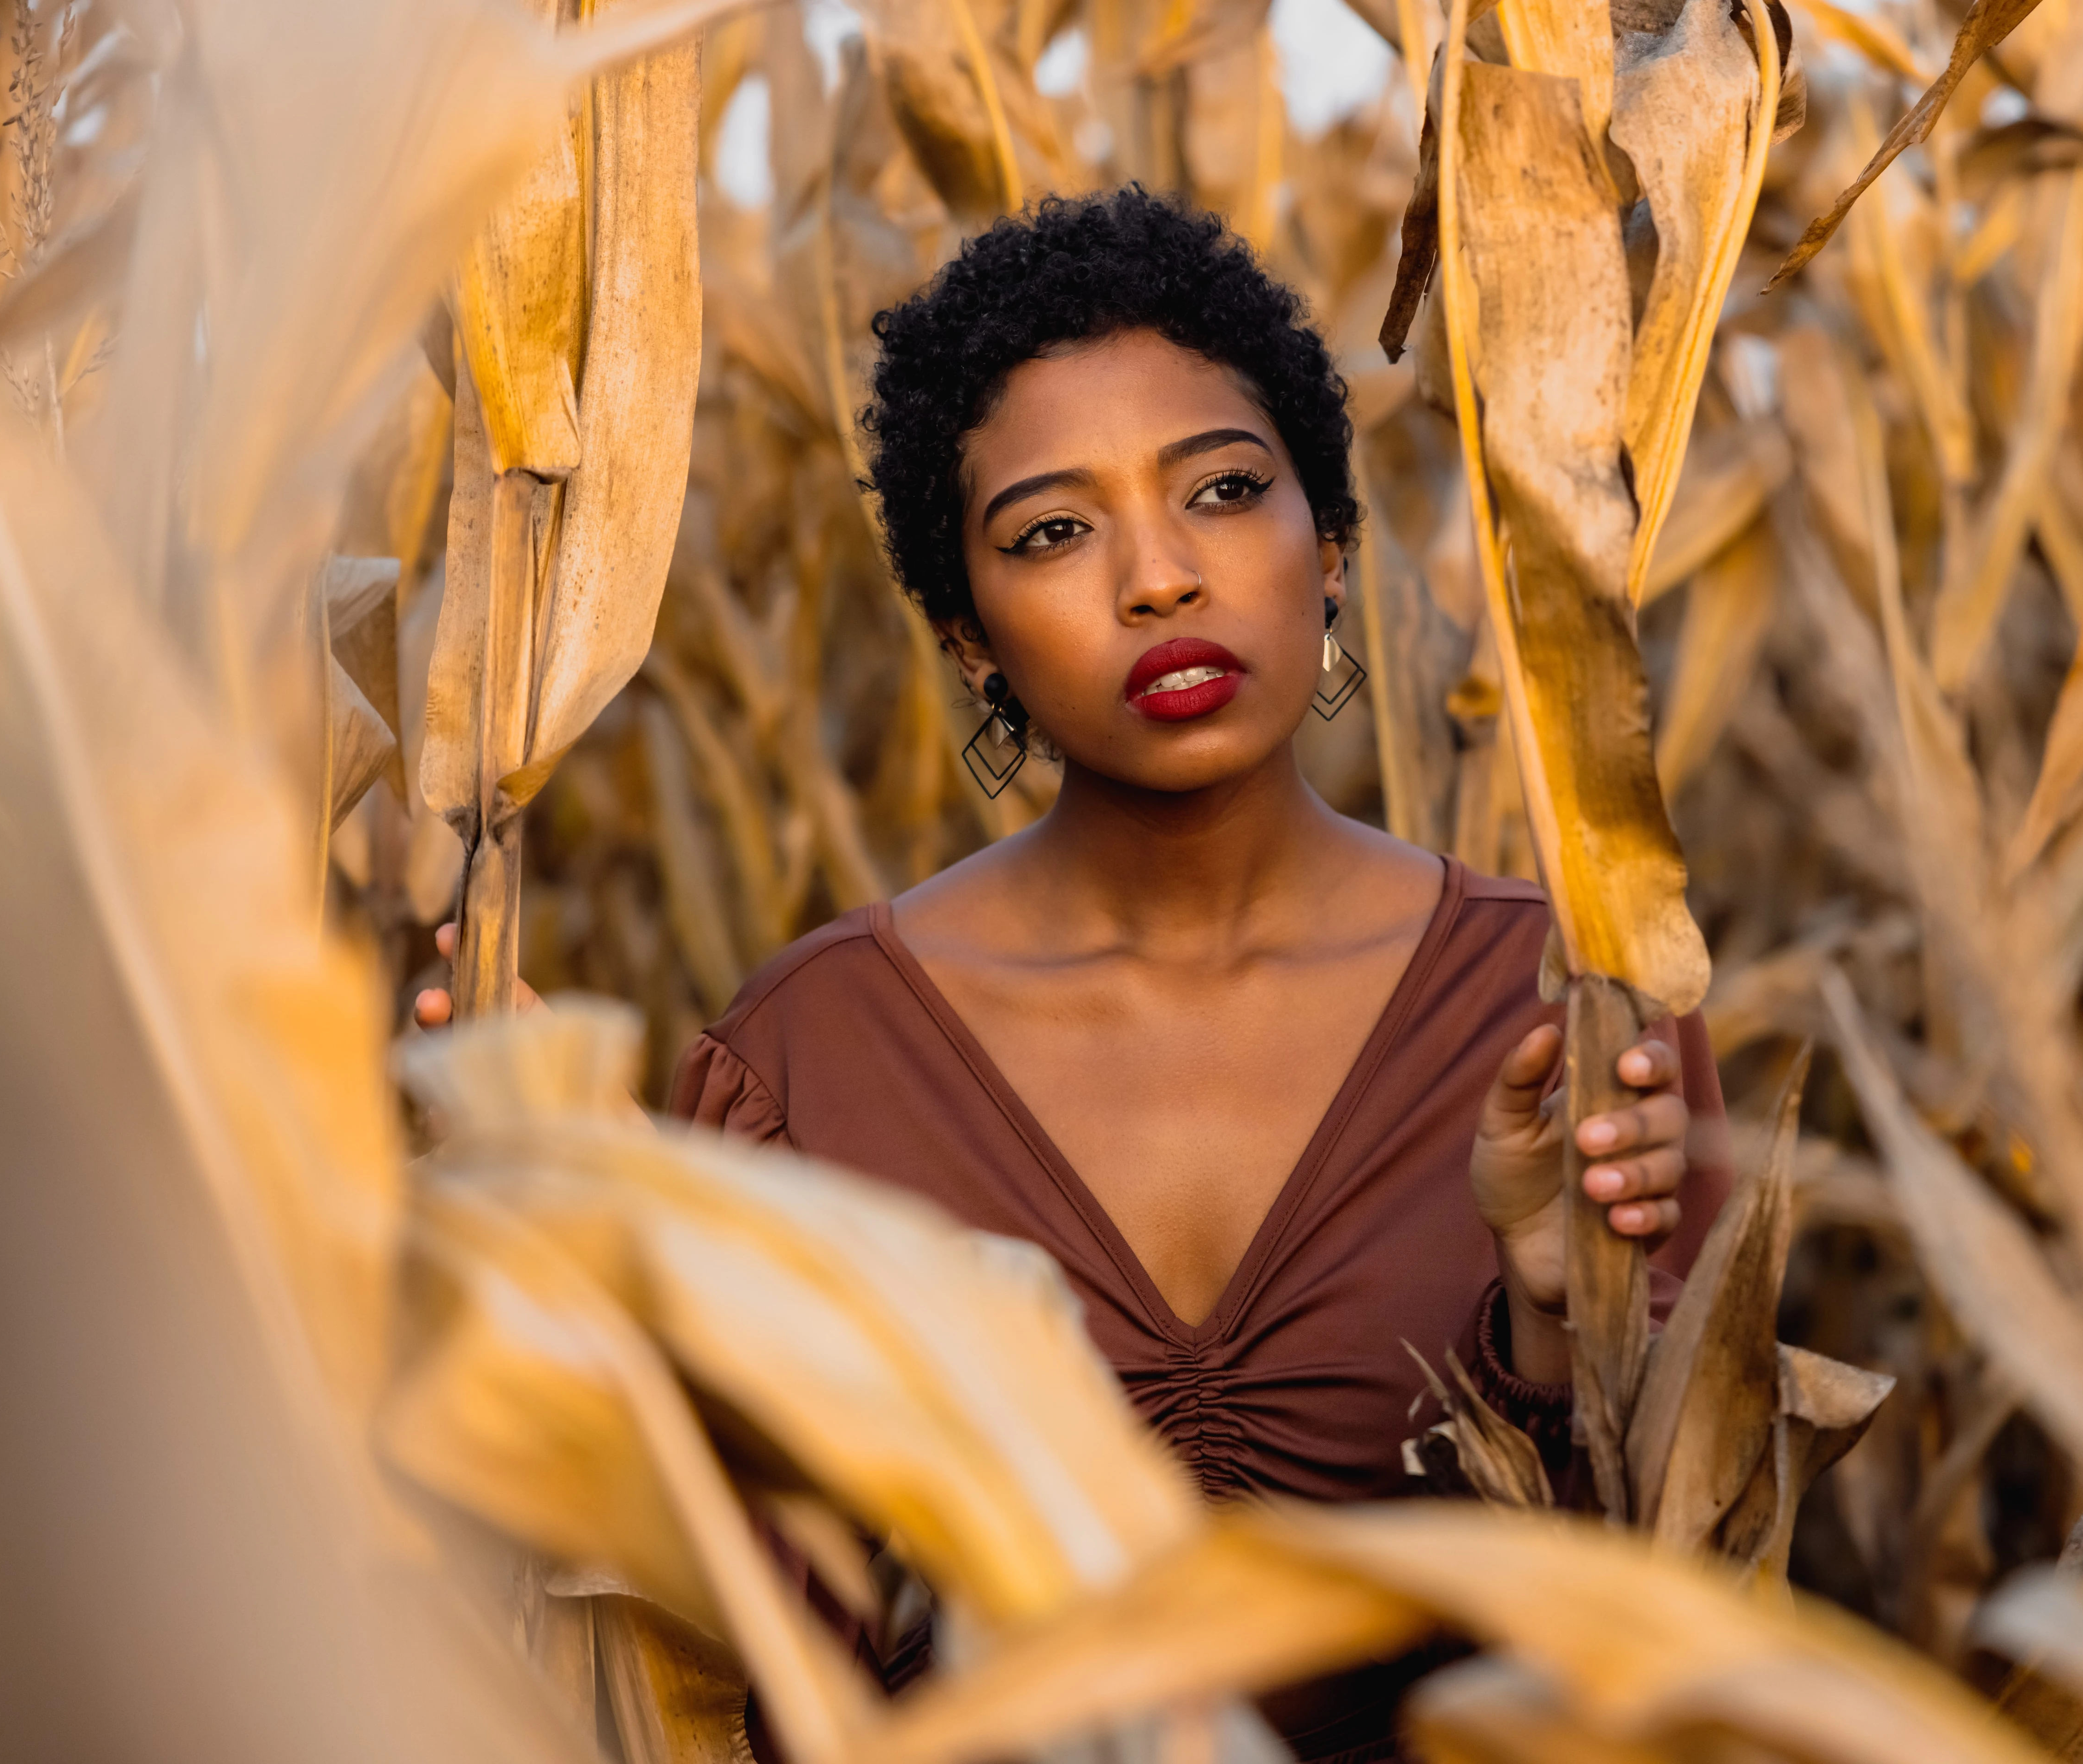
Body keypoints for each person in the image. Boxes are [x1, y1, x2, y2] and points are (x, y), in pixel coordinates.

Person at [421, 186, 1728, 1764]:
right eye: (1053, 531)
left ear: (1327, 543)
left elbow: (1669, 1624)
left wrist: (1547, 1303)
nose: (1158, 578)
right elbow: (754, 1681)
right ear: (971, 638)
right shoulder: (813, 1062)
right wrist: (580, 1281)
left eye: (1225, 491)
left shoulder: (1562, 1014)